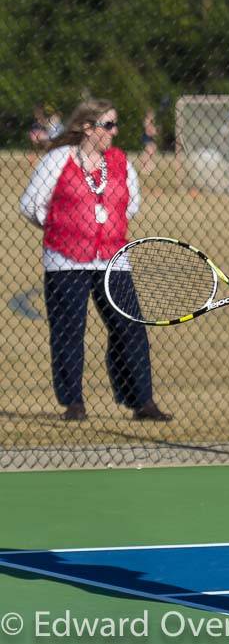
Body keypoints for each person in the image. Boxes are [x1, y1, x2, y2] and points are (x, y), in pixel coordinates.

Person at [19, 99, 172, 422]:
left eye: (115, 124)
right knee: (68, 331)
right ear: (87, 128)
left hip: (113, 259)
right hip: (65, 259)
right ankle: (73, 403)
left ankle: (141, 401)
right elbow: (31, 204)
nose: (114, 132)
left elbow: (130, 205)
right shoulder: (58, 159)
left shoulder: (120, 162)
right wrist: (62, 225)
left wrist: (105, 224)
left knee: (129, 327)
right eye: (108, 125)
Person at [138, 108, 158, 175]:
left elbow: (152, 129)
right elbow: (148, 130)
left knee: (152, 150)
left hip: (150, 137)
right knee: (148, 152)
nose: (153, 116)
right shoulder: (147, 121)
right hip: (146, 137)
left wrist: (154, 131)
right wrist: (153, 131)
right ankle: (144, 168)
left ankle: (148, 166)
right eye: (152, 115)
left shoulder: (152, 121)